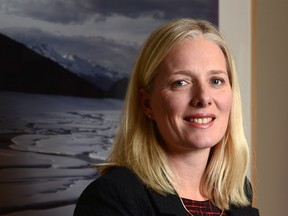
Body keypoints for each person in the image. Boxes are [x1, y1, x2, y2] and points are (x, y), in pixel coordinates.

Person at [74, 18, 260, 216]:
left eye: (216, 80)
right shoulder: (113, 197)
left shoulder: (238, 195)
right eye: (181, 82)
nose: (204, 98)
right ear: (147, 104)